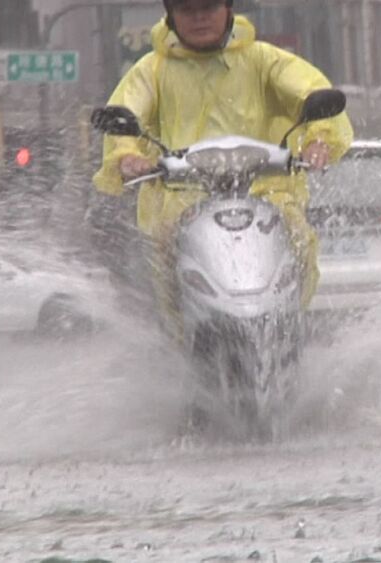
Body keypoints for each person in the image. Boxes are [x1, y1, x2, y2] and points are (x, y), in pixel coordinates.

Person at [93, 0, 354, 336]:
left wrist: (320, 138)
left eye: (209, 7)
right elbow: (127, 109)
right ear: (171, 16)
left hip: (265, 194)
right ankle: (179, 339)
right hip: (181, 199)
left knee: (299, 237)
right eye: (187, 10)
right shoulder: (152, 69)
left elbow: (309, 90)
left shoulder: (263, 59)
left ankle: (291, 328)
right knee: (163, 256)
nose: (199, 17)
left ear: (228, 10)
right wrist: (126, 155)